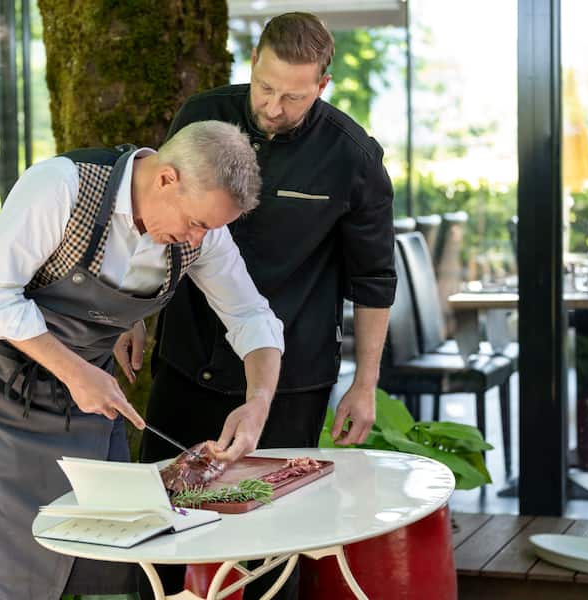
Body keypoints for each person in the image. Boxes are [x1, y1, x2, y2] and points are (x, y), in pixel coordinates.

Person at [0, 120, 285, 600]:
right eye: (197, 223)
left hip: (91, 399)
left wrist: (258, 400)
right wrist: (76, 371)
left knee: (110, 543)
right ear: (166, 179)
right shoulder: (61, 186)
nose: (200, 240)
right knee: (0, 560)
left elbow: (250, 314)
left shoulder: (201, 235)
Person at [117, 12, 396, 600]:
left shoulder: (352, 156)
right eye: (265, 87)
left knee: (272, 549)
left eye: (293, 96)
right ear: (253, 66)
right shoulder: (200, 114)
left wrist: (364, 383)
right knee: (159, 531)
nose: (273, 106)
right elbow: (155, 216)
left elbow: (373, 279)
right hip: (188, 358)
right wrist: (133, 313)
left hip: (289, 378)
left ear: (322, 85)